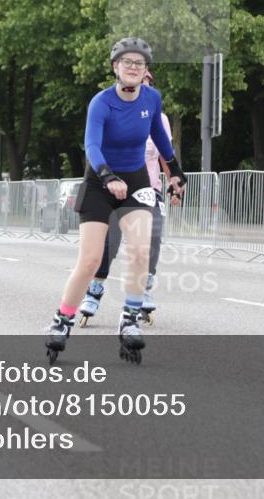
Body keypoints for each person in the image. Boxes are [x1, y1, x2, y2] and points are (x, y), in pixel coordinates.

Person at [45, 37, 186, 365]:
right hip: (99, 181)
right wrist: (108, 176)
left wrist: (176, 172)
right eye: (127, 63)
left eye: (139, 63)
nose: (133, 68)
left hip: (136, 180)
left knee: (140, 251)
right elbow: (92, 146)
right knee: (92, 260)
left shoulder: (152, 98)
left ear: (145, 70)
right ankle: (62, 320)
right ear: (115, 68)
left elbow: (160, 138)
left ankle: (130, 320)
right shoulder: (101, 103)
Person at [77, 69, 176, 327]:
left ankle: (143, 289)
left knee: (151, 241)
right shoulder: (110, 109)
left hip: (147, 186)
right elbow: (95, 146)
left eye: (147, 82)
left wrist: (174, 182)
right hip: (113, 186)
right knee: (109, 241)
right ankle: (95, 288)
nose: (142, 86)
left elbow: (165, 154)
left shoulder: (158, 117)